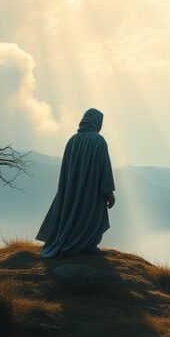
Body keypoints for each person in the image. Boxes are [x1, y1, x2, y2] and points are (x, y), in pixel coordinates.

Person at [37, 108, 116, 258]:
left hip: (71, 190)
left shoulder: (72, 140)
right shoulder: (98, 141)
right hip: (92, 191)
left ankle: (72, 243)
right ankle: (87, 245)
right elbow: (104, 168)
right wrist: (109, 192)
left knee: (72, 215)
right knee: (91, 215)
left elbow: (66, 169)